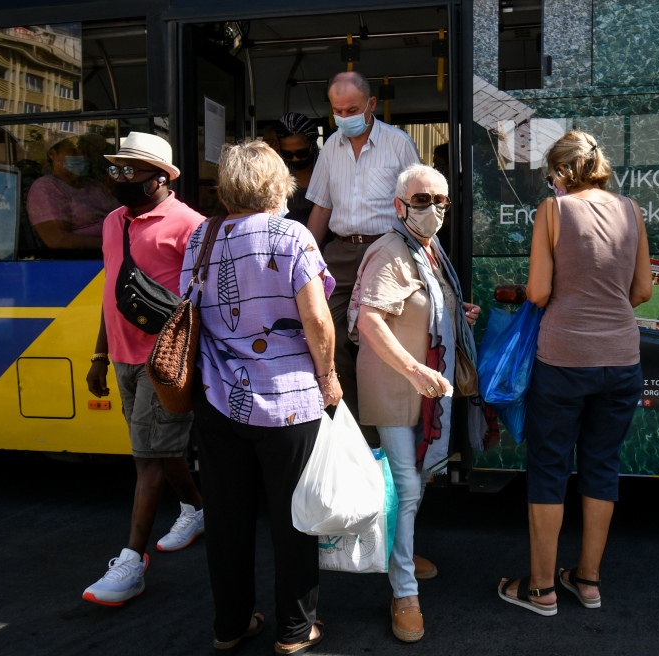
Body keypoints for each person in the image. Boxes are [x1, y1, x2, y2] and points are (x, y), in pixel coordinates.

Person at [186, 140, 338, 655]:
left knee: (226, 519)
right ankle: (294, 632)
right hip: (287, 400)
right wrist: (330, 375)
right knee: (293, 516)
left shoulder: (199, 237)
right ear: (279, 186)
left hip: (216, 398)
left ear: (226, 189)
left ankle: (230, 626)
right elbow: (316, 318)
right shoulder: (291, 234)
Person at [498, 130, 652, 616]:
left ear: (562, 173)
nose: (551, 185)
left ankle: (541, 589)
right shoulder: (631, 209)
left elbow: (539, 292)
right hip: (623, 359)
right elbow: (643, 289)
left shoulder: (554, 211)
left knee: (549, 468)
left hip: (564, 359)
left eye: (550, 177)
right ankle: (587, 581)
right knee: (601, 465)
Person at [350, 164, 481, 642]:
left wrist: (454, 314)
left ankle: (396, 552)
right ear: (399, 205)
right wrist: (414, 369)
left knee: (418, 481)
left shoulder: (428, 249)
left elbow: (422, 305)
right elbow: (369, 320)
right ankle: (403, 590)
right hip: (397, 386)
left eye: (440, 201)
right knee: (408, 486)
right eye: (422, 200)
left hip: (424, 389)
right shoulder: (389, 251)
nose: (433, 209)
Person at [82, 131, 207, 606]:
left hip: (165, 360)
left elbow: (204, 298)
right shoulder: (113, 221)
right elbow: (114, 288)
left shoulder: (190, 225)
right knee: (160, 445)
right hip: (120, 356)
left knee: (147, 458)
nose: (119, 178)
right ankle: (196, 508)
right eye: (114, 169)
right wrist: (99, 354)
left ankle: (131, 563)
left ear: (161, 176)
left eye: (129, 170)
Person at [305, 71, 421, 442]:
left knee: (380, 341)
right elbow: (321, 209)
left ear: (371, 104)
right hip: (339, 250)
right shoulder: (330, 148)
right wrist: (302, 258)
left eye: (352, 108)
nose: (344, 116)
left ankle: (388, 434)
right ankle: (354, 429)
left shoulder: (398, 143)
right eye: (337, 110)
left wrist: (428, 260)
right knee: (326, 333)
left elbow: (419, 205)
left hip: (386, 249)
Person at [26, 133, 118, 249]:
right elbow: (58, 240)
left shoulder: (94, 185)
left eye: (85, 152)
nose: (82, 156)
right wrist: (115, 244)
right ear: (52, 154)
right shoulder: (45, 187)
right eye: (73, 152)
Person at [275, 113, 320, 225]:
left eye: (301, 153)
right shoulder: (278, 171)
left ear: (312, 145)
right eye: (288, 154)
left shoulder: (326, 167)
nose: (295, 159)